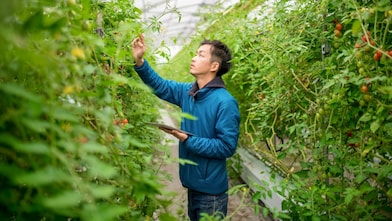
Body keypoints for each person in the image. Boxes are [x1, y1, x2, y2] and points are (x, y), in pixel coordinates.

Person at [131, 34, 240, 221]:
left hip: (211, 194)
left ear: (214, 66)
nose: (193, 58)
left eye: (200, 55)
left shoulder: (225, 102)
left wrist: (188, 140)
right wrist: (140, 61)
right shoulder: (189, 93)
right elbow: (161, 86)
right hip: (192, 185)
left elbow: (226, 147)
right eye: (195, 54)